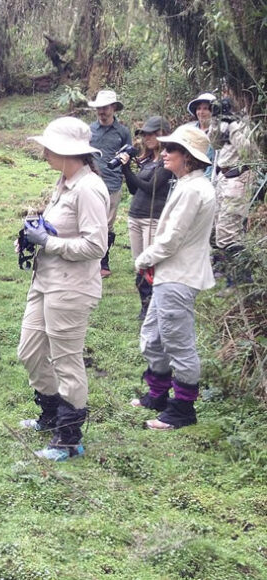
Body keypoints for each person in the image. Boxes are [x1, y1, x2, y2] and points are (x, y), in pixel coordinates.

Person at [17, 117, 109, 461]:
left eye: (48, 147)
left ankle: (68, 440)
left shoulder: (89, 188)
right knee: (30, 351)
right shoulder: (65, 181)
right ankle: (50, 414)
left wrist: (50, 243)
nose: (43, 152)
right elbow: (59, 230)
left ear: (67, 152)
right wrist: (32, 237)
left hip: (71, 288)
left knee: (67, 362)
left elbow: (95, 246)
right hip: (45, 280)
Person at [131, 125, 217, 429]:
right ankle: (157, 393)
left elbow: (171, 240)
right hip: (171, 273)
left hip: (179, 275)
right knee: (153, 337)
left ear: (188, 158)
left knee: (178, 342)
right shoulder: (186, 184)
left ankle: (182, 409)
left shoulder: (194, 189)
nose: (164, 154)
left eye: (171, 150)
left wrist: (143, 259)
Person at [115, 116, 174, 320]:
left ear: (163, 134)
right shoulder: (147, 160)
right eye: (145, 134)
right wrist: (125, 167)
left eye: (153, 133)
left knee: (151, 264)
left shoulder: (168, 160)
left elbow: (151, 187)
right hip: (135, 216)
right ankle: (145, 307)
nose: (148, 137)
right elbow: (133, 189)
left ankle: (154, 307)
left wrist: (130, 169)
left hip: (153, 217)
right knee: (139, 264)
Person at [208, 96, 257, 284]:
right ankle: (233, 277)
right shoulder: (225, 120)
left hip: (239, 176)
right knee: (219, 228)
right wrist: (216, 120)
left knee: (229, 230)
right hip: (222, 176)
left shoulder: (249, 121)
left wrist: (234, 125)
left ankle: (239, 281)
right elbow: (215, 144)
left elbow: (248, 151)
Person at [87, 90, 131, 278]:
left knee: (106, 225)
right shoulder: (90, 130)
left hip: (112, 184)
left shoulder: (123, 132)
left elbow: (128, 156)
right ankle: (88, 260)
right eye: (98, 108)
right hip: (90, 183)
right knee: (89, 221)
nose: (101, 112)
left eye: (104, 108)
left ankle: (103, 262)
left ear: (113, 108)